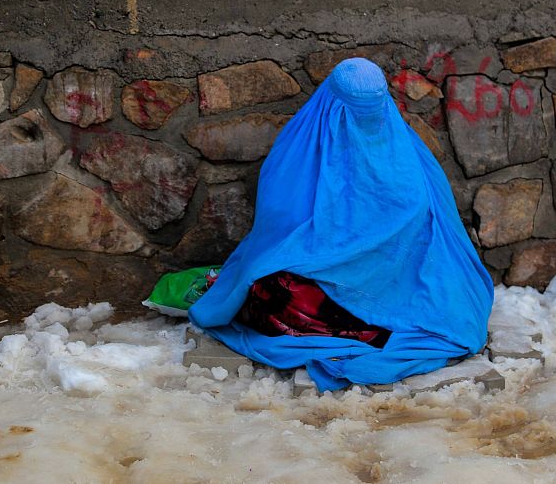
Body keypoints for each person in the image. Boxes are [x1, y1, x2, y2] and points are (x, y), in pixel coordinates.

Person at [188, 57, 493, 391]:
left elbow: (430, 245)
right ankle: (369, 330)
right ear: (331, 106)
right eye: (353, 114)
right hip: (319, 273)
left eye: (371, 112)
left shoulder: (407, 160)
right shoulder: (299, 150)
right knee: (266, 286)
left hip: (395, 289)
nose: (363, 124)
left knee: (265, 297)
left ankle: (366, 328)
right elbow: (278, 232)